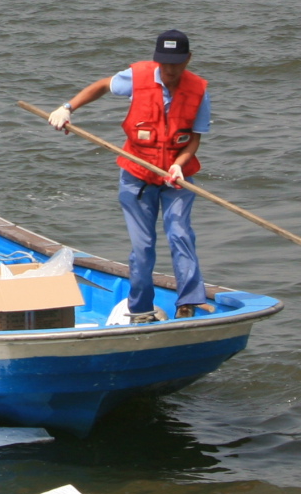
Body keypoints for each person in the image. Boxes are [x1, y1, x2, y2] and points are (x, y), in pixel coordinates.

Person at [47, 29, 215, 322]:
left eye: (176, 63)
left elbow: (194, 139)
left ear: (188, 59)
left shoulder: (198, 91)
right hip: (137, 176)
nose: (170, 70)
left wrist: (179, 164)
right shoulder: (137, 77)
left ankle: (188, 302)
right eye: (164, 63)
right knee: (143, 247)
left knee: (180, 234)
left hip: (176, 177)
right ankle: (140, 309)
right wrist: (67, 108)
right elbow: (102, 86)